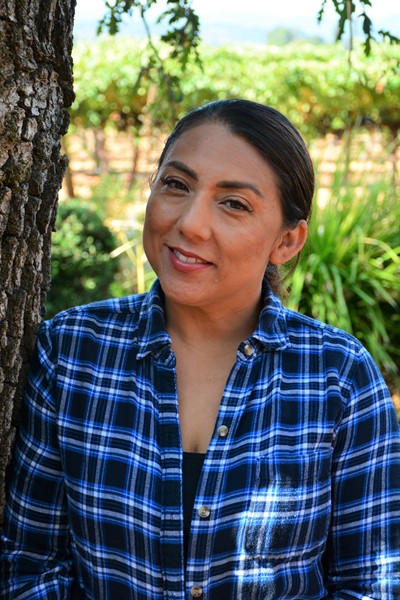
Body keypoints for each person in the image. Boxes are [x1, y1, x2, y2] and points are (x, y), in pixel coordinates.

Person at [1, 99, 399, 599]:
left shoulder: (338, 377)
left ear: (287, 241)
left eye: (233, 203)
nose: (190, 223)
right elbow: (29, 565)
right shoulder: (74, 353)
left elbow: (375, 581)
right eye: (176, 185)